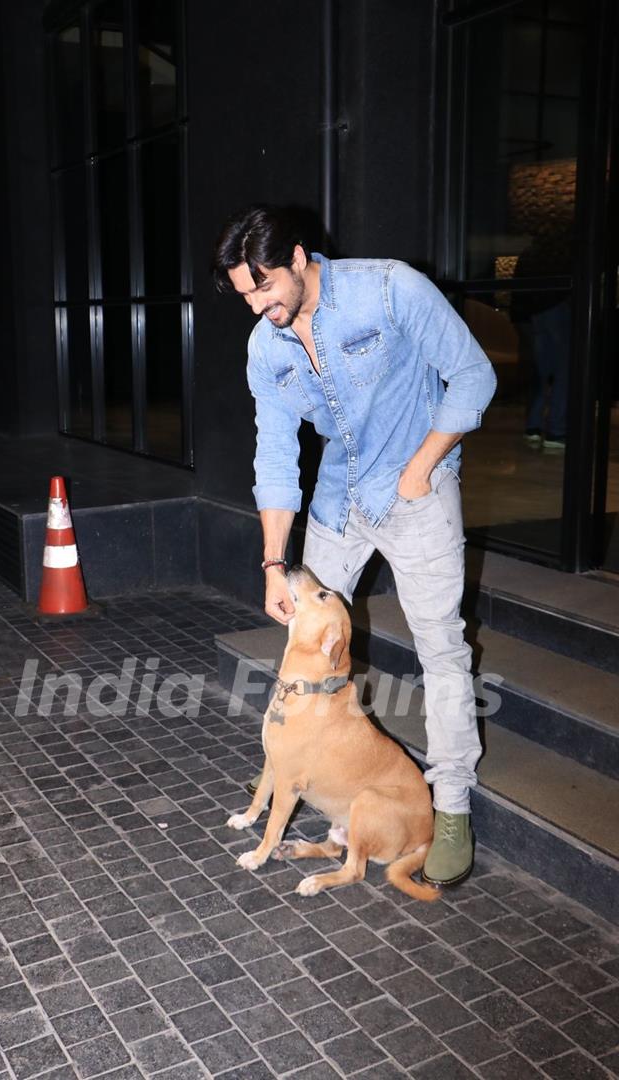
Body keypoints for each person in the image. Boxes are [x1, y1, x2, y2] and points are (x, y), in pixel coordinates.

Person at [211, 205, 497, 886]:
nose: (259, 306)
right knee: (300, 634)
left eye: (265, 286)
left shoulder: (391, 289)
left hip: (417, 493)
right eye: (245, 294)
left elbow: (473, 376)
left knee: (441, 646)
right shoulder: (265, 346)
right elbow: (276, 455)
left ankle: (450, 802)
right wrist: (274, 564)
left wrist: (422, 465)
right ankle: (294, 754)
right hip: (339, 499)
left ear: (300, 258)